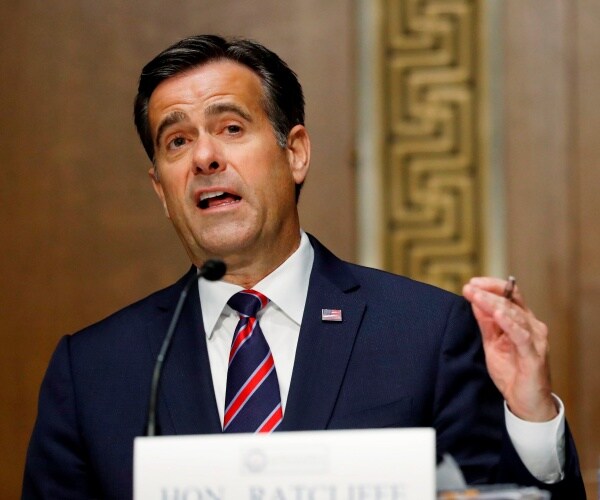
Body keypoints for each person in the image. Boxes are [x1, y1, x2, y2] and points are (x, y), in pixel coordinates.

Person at [22, 35, 585, 499]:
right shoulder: (93, 370)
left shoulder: (425, 333)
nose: (204, 157)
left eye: (231, 128)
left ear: (295, 153)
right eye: (176, 141)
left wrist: (531, 418)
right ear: (161, 191)